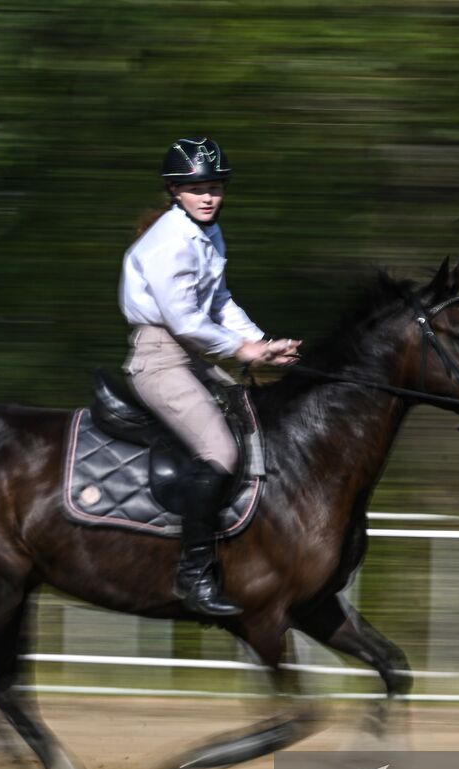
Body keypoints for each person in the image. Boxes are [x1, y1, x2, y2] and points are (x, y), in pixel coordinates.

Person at [119, 136, 300, 617]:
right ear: (175, 191)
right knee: (219, 452)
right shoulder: (169, 242)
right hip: (159, 359)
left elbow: (219, 303)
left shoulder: (208, 234)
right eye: (197, 188)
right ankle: (193, 576)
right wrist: (246, 350)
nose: (208, 197)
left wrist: (265, 344)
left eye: (215, 187)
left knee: (261, 421)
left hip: (195, 357)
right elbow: (184, 323)